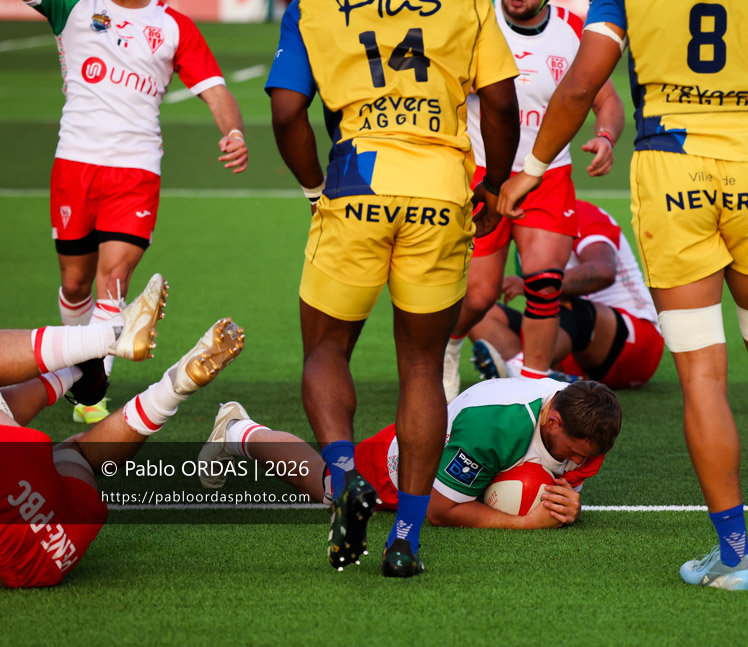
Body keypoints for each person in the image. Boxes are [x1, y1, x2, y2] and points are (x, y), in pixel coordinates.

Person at [498, 0, 748, 590]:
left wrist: (532, 167)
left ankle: (734, 557)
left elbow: (582, 83)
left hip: (671, 174)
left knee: (703, 375)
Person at [265, 0, 521, 577]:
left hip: (356, 180)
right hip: (439, 191)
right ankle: (405, 539)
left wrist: (313, 188)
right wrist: (495, 185)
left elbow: (286, 113)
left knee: (326, 350)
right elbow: (502, 104)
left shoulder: (310, 6)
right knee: (423, 366)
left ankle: (343, 475)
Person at [23, 0, 249, 425]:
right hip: (74, 164)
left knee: (114, 280)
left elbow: (216, 90)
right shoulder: (73, 6)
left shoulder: (174, 26)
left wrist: (234, 132)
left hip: (136, 171)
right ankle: (84, 366)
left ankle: (91, 397)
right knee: (75, 284)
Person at [443, 0, 624, 401]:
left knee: (544, 283)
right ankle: (448, 347)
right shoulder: (478, 20)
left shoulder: (573, 30)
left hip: (547, 175)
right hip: (483, 172)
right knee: (480, 295)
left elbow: (607, 100)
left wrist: (606, 137)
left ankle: (532, 388)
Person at [0, 292, 245, 588]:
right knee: (73, 453)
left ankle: (165, 386)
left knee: (77, 455)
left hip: (49, 555)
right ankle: (107, 344)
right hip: (38, 499)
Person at [198, 378, 620, 549]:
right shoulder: (494, 426)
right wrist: (524, 524)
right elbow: (440, 510)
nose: (578, 463)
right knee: (332, 486)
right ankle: (237, 431)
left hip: (485, 458)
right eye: (574, 452)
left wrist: (570, 506)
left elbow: (565, 488)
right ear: (552, 420)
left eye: (587, 457)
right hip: (406, 460)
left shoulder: (590, 433)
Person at [469, 200, 663, 389]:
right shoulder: (523, 230)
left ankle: (522, 371)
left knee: (561, 302)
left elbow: (604, 271)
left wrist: (530, 284)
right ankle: (534, 377)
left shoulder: (581, 213)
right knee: (479, 310)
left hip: (635, 345)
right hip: (569, 349)